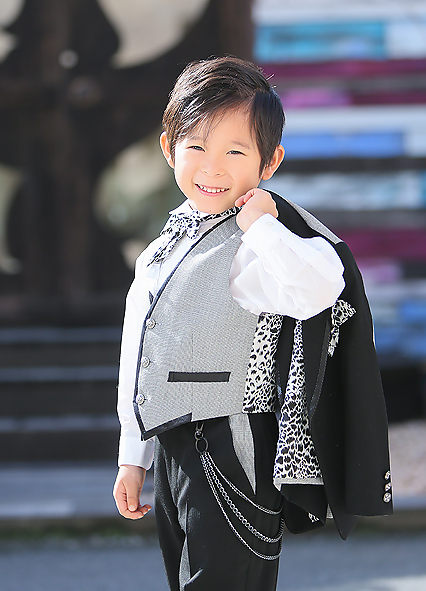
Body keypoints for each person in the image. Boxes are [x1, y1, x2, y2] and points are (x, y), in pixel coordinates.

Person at [113, 56, 392, 591]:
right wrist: (133, 454)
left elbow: (320, 289)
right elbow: (140, 352)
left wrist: (263, 227)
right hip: (171, 444)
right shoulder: (162, 247)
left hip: (232, 442)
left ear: (271, 160)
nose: (213, 168)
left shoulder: (269, 238)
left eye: (235, 151)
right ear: (169, 148)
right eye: (196, 147)